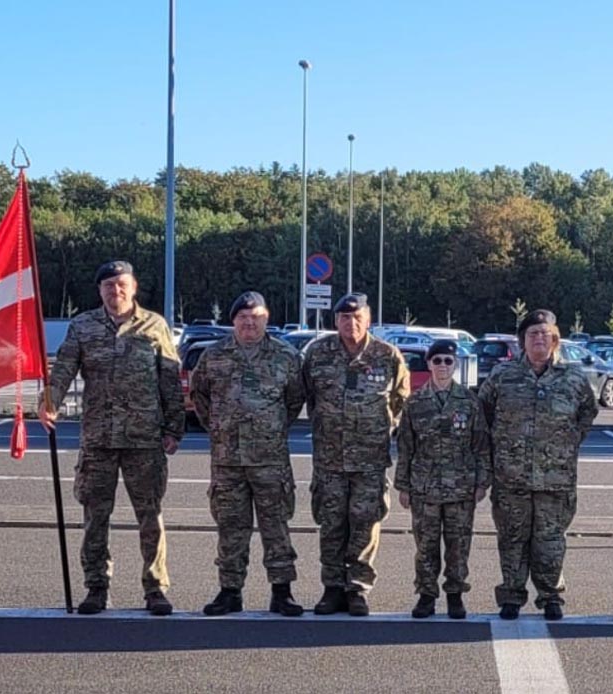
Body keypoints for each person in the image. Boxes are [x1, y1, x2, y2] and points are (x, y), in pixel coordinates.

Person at [38, 260, 183, 616]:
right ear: (99, 290)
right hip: (98, 438)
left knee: (151, 517)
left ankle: (155, 588)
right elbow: (65, 369)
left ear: (133, 287)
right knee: (95, 517)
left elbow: (170, 379)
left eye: (121, 285)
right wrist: (48, 402)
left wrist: (174, 428)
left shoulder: (154, 326)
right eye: (108, 286)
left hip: (144, 439)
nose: (115, 291)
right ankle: (96, 587)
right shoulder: (84, 326)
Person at [191, 291, 306, 617]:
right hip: (228, 461)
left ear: (266, 319)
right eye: (243, 318)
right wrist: (220, 427)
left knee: (277, 527)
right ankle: (230, 591)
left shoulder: (285, 356)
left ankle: (282, 592)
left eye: (255, 317)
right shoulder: (214, 356)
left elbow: (295, 400)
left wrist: (270, 428)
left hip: (270, 459)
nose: (249, 323)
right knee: (230, 528)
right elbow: (199, 396)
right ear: (234, 322)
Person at [478, 309, 598, 621]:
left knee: (550, 542)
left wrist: (569, 439)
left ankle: (551, 596)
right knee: (512, 538)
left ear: (555, 340)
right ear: (522, 341)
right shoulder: (503, 376)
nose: (539, 339)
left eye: (545, 334)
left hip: (555, 478)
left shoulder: (572, 378)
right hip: (511, 476)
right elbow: (484, 411)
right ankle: (512, 595)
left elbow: (588, 411)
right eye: (533, 334)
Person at [303, 292, 410, 617]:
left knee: (365, 524)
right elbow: (304, 395)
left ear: (369, 319)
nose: (352, 323)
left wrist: (381, 427)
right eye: (345, 318)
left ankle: (358, 589)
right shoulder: (318, 354)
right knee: (332, 524)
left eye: (358, 317)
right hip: (330, 460)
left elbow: (401, 400)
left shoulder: (386, 355)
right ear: (336, 321)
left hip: (370, 460)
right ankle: (332, 588)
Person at [395, 339, 491, 619]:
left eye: (448, 361)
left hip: (461, 488)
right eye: (437, 361)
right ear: (429, 364)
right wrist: (403, 486)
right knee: (425, 546)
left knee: (458, 545)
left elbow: (481, 445)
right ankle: (426, 595)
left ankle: (455, 594)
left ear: (456, 365)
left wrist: (482, 483)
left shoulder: (469, 402)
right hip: (424, 488)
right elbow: (405, 447)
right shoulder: (415, 402)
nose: (443, 367)